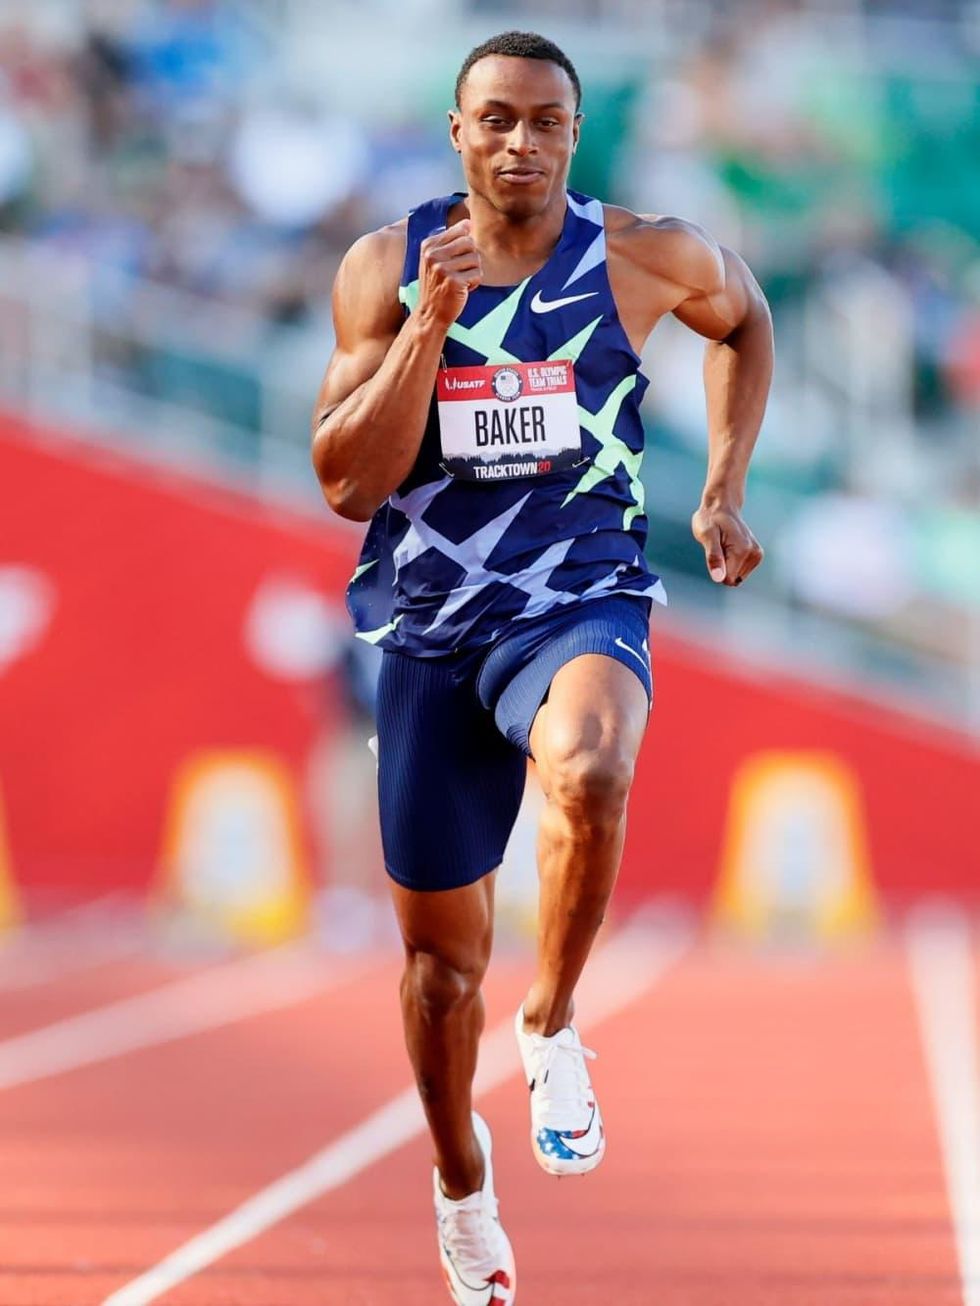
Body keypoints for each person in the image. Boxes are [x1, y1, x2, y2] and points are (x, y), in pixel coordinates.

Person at [311, 30, 771, 1305]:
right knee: (437, 974)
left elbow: (744, 318)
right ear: (456, 132)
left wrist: (721, 486)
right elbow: (348, 480)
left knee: (591, 762)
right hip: (432, 625)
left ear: (575, 134)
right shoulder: (386, 267)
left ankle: (556, 1018)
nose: (520, 143)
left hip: (581, 592)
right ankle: (461, 1185)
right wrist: (429, 329)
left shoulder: (639, 255)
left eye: (545, 123)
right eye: (495, 120)